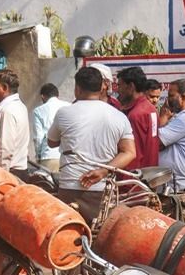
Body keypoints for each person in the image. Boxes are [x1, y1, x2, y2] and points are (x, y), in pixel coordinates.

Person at [47, 66, 135, 223]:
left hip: (69, 187)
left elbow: (51, 142)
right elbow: (129, 152)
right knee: (100, 233)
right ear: (102, 87)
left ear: (77, 88)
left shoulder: (64, 113)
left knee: (68, 232)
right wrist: (103, 171)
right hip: (102, 189)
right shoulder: (118, 116)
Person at [157, 78, 185, 194]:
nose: (168, 100)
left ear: (183, 97)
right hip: (172, 183)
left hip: (177, 185)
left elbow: (156, 142)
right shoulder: (181, 116)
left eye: (171, 96)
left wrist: (162, 119)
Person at [0, 68, 29, 172]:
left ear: (5, 87)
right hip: (16, 169)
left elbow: (5, 148)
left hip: (9, 170)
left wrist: (1, 174)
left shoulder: (7, 110)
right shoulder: (19, 106)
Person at [117, 66, 159, 169]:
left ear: (131, 87)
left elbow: (133, 153)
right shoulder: (151, 109)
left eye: (120, 86)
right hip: (150, 173)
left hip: (135, 175)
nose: (118, 90)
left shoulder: (136, 115)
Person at [32, 83, 69, 172]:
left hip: (49, 155)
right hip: (68, 157)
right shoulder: (69, 106)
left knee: (48, 181)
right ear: (57, 95)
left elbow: (38, 137)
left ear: (42, 96)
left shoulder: (38, 111)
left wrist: (38, 156)